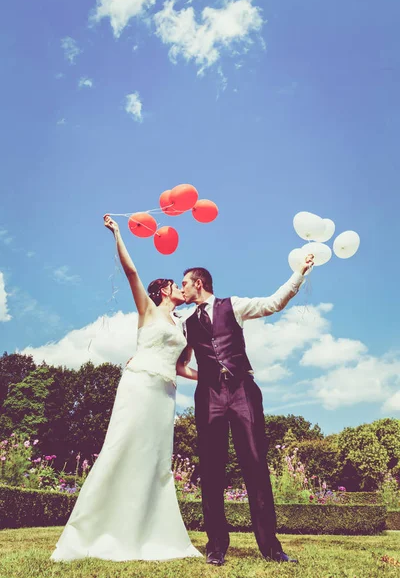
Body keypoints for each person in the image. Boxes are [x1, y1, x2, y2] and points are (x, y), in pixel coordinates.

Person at [50, 215, 202, 562]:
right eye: (175, 285)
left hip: (165, 395)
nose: (181, 288)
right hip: (138, 386)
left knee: (155, 460)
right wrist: (118, 233)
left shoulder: (183, 327)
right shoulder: (147, 310)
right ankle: (91, 531)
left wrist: (206, 377)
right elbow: (132, 273)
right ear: (163, 290)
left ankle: (149, 531)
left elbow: (180, 366)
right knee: (121, 447)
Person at [181, 255, 314, 565]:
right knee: (212, 471)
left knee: (255, 465)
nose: (183, 287)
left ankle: (271, 548)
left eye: (185, 282)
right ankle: (216, 547)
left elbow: (273, 303)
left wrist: (299, 273)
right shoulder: (185, 323)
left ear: (199, 284)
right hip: (209, 397)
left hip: (242, 390)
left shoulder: (234, 305)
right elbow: (177, 360)